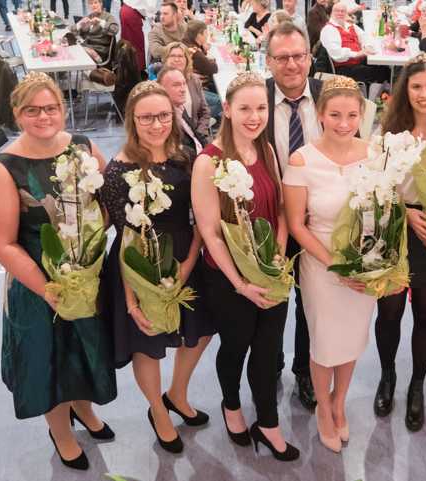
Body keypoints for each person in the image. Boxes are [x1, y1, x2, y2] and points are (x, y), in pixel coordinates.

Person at [0, 72, 117, 471]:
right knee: (50, 360)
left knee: (86, 351)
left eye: (51, 107)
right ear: (18, 115)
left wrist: (92, 244)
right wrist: (48, 289)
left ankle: (85, 410)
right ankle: (60, 431)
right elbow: (0, 242)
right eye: (32, 110)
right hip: (37, 283)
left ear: (62, 107)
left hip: (85, 274)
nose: (44, 116)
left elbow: (108, 200)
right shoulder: (4, 168)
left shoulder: (83, 145)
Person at [191, 72, 300, 461]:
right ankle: (232, 404)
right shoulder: (209, 162)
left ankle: (268, 423)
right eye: (245, 109)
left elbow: (283, 210)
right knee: (236, 346)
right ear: (228, 111)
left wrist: (278, 256)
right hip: (228, 279)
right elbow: (210, 231)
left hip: (271, 272)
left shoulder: (267, 150)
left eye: (260, 108)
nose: (254, 117)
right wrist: (240, 283)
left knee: (269, 349)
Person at [101, 80, 213, 454]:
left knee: (200, 334)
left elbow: (200, 220)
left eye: (163, 115)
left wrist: (188, 264)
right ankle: (157, 411)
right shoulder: (118, 171)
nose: (156, 124)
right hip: (139, 265)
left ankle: (177, 392)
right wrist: (132, 301)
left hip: (185, 256)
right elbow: (122, 237)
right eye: (147, 117)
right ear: (133, 120)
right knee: (146, 345)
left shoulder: (186, 158)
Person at [283, 75, 374, 453]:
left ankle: (340, 401)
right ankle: (323, 406)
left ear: (361, 115)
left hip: (363, 264)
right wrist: (336, 264)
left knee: (352, 340)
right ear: (320, 114)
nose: (343, 123)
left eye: (352, 115)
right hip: (321, 265)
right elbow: (296, 225)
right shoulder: (302, 160)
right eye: (335, 114)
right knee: (323, 342)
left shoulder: (373, 154)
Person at [373, 53, 426, 432]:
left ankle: (417, 385)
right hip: (397, 228)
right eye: (416, 86)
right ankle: (388, 375)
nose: (424, 94)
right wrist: (406, 213)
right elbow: (376, 184)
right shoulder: (387, 134)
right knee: (389, 312)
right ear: (404, 90)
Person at [266, 21, 323, 410]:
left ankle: (305, 371)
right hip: (268, 223)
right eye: (282, 57)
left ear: (309, 58)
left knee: (310, 304)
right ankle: (270, 365)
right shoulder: (254, 100)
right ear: (268, 62)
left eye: (298, 56)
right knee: (271, 303)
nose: (291, 64)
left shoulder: (329, 96)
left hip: (318, 222)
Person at [319, 2, 390, 88]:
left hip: (358, 61)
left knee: (384, 67)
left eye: (343, 11)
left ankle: (381, 92)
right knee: (382, 72)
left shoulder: (349, 25)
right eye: (337, 11)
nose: (340, 13)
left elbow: (365, 37)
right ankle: (376, 95)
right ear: (331, 13)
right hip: (344, 67)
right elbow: (337, 54)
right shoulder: (329, 30)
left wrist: (367, 46)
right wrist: (357, 54)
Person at [161, 42, 212, 140]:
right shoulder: (160, 84)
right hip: (173, 140)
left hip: (197, 135)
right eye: (172, 56)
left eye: (180, 56)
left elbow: (205, 111)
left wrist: (200, 133)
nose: (176, 59)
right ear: (165, 60)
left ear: (187, 60)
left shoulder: (194, 80)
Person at [158, 67, 207, 153]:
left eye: (184, 84)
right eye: (176, 85)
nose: (183, 89)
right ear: (162, 89)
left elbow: (195, 136)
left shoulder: (179, 107)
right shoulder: (162, 123)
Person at [183, 20, 223, 123]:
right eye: (206, 33)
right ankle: (200, 120)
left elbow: (204, 62)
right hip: (194, 88)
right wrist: (211, 60)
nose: (207, 36)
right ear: (199, 35)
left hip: (193, 84)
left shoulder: (187, 43)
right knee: (221, 101)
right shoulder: (194, 51)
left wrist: (204, 50)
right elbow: (213, 68)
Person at [120, 0, 158, 71]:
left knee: (127, 43)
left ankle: (127, 69)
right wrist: (151, 18)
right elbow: (149, 6)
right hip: (133, 13)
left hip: (126, 9)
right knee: (137, 46)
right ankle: (138, 71)